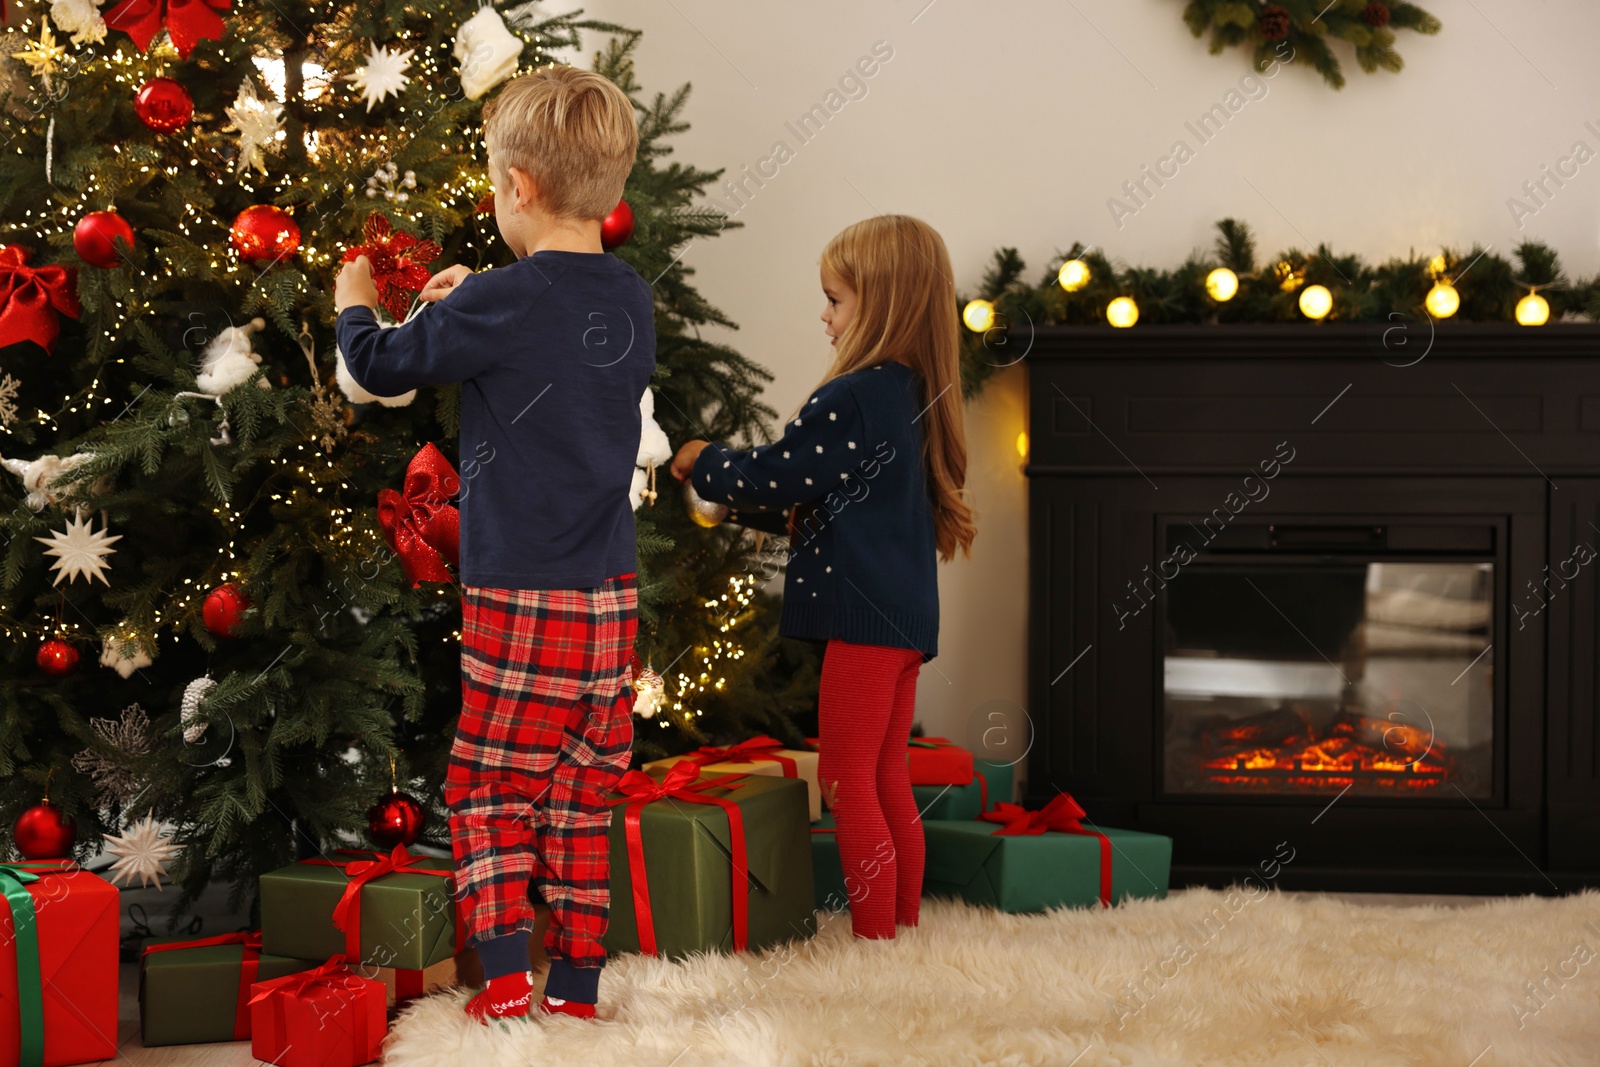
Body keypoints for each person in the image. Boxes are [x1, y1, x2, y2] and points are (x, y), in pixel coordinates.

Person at [334, 63, 653, 1023]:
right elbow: (549, 334)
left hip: (523, 592)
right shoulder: (630, 295)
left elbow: (380, 361)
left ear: (518, 187)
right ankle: (581, 985)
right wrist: (471, 298)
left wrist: (357, 298)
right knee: (581, 792)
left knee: (486, 789)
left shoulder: (497, 304)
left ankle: (508, 978)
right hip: (609, 596)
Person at [669, 214, 976, 940]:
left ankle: (874, 938)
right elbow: (830, 508)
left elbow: (779, 475)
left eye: (836, 299)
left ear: (885, 303)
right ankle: (898, 928)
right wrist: (738, 511)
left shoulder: (855, 396)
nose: (825, 316)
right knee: (887, 775)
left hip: (865, 627)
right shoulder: (911, 396)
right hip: (905, 623)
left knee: (845, 779)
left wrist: (705, 459)